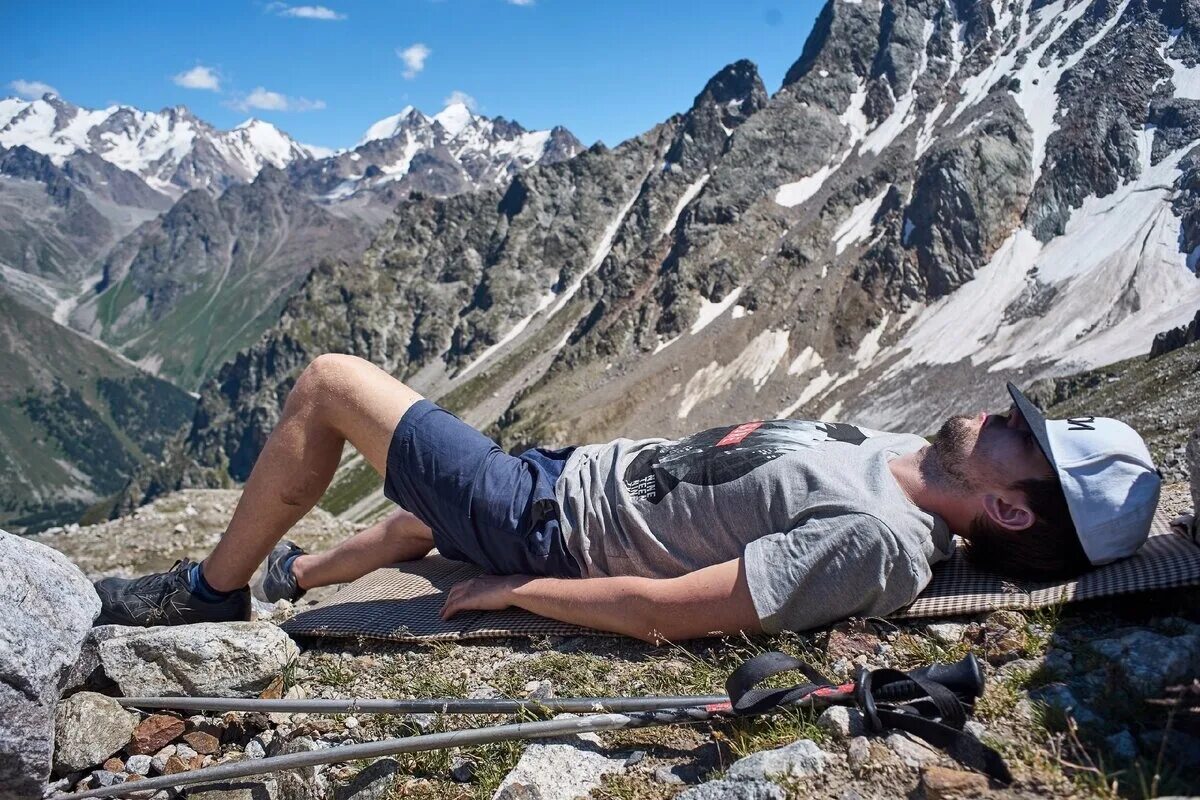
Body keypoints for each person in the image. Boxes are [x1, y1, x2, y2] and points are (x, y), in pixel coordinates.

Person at [95, 355, 1162, 641]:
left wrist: (519, 587)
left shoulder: (881, 542)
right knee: (417, 516)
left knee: (330, 383)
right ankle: (299, 572)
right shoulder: (917, 455)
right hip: (566, 477)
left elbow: (675, 610)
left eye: (1024, 438)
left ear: (1013, 509)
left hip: (543, 520)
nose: (1006, 417)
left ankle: (209, 588)